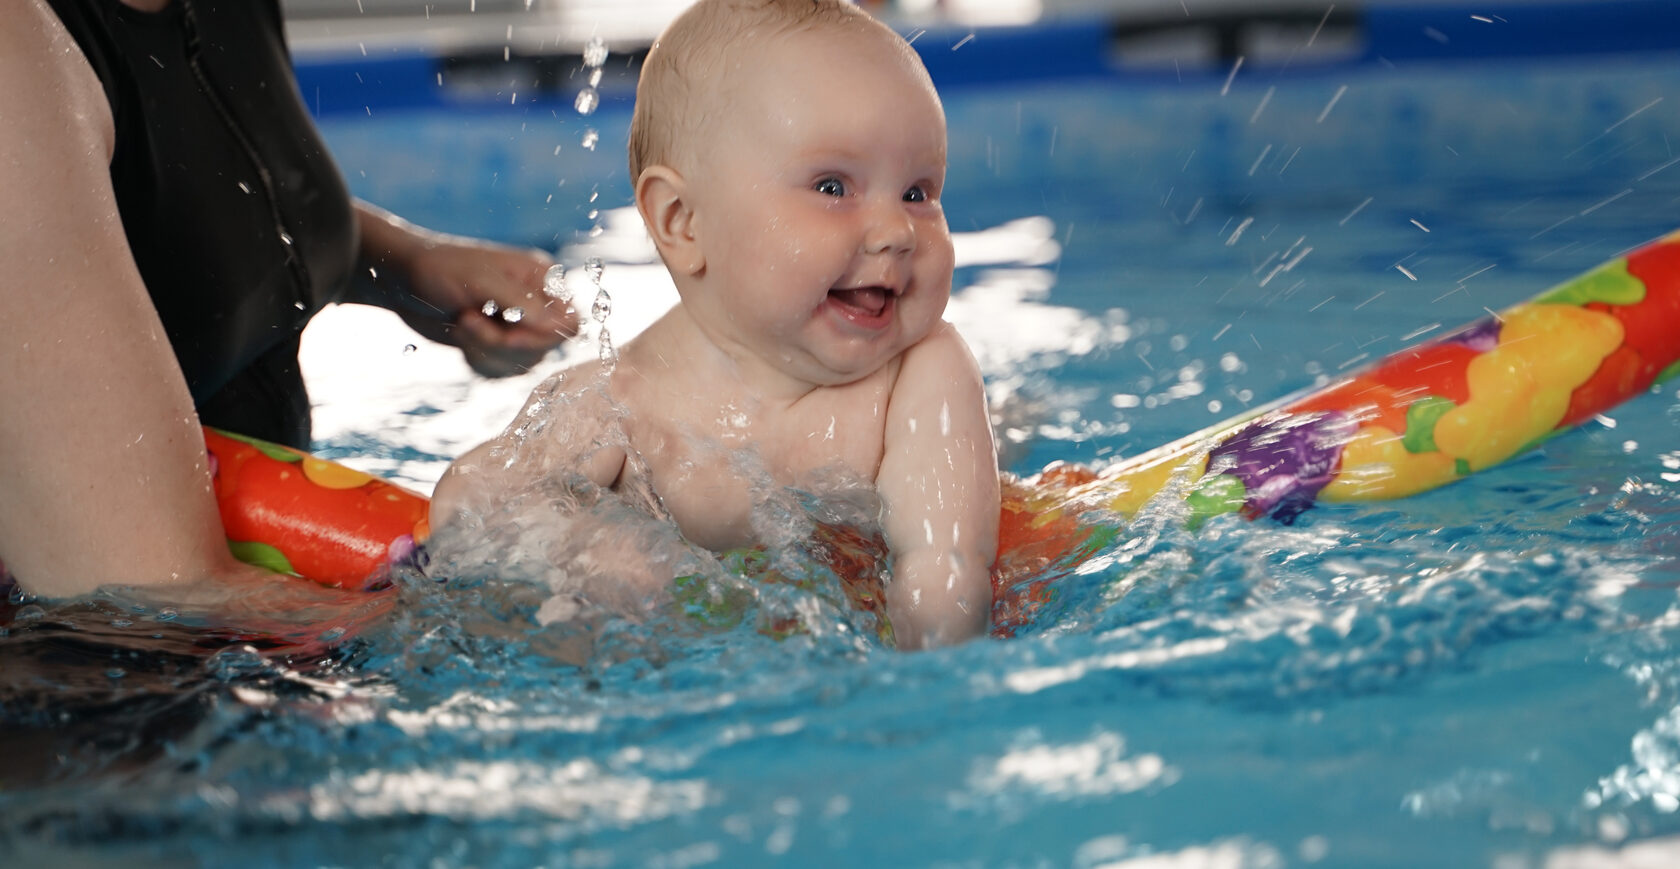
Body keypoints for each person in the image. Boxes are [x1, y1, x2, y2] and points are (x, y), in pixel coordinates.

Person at [431, 0, 1000, 649]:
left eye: (919, 193)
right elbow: (465, 503)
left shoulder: (921, 377)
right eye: (833, 187)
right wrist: (586, 545)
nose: (898, 231)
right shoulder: (615, 407)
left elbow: (945, 568)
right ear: (682, 221)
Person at [0, 0, 577, 599]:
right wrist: (507, 617)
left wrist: (403, 264)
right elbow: (148, 598)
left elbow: (184, 211)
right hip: (94, 662)